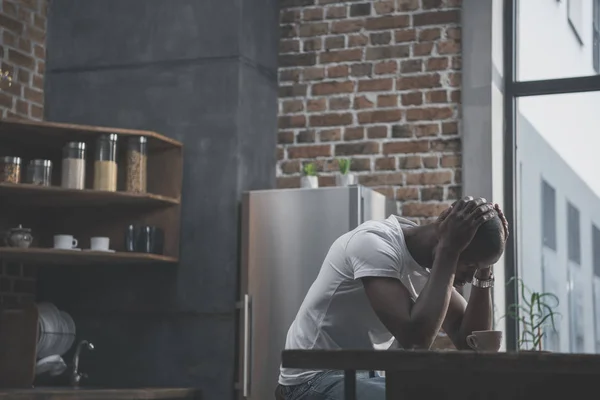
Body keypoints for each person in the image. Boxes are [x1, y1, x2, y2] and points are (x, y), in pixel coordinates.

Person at [275, 196, 509, 400]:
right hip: (311, 378)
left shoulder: (432, 265)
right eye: (470, 265)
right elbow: (415, 341)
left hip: (367, 375)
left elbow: (470, 343)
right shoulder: (375, 243)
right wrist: (449, 251)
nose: (469, 277)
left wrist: (485, 270)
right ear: (448, 241)